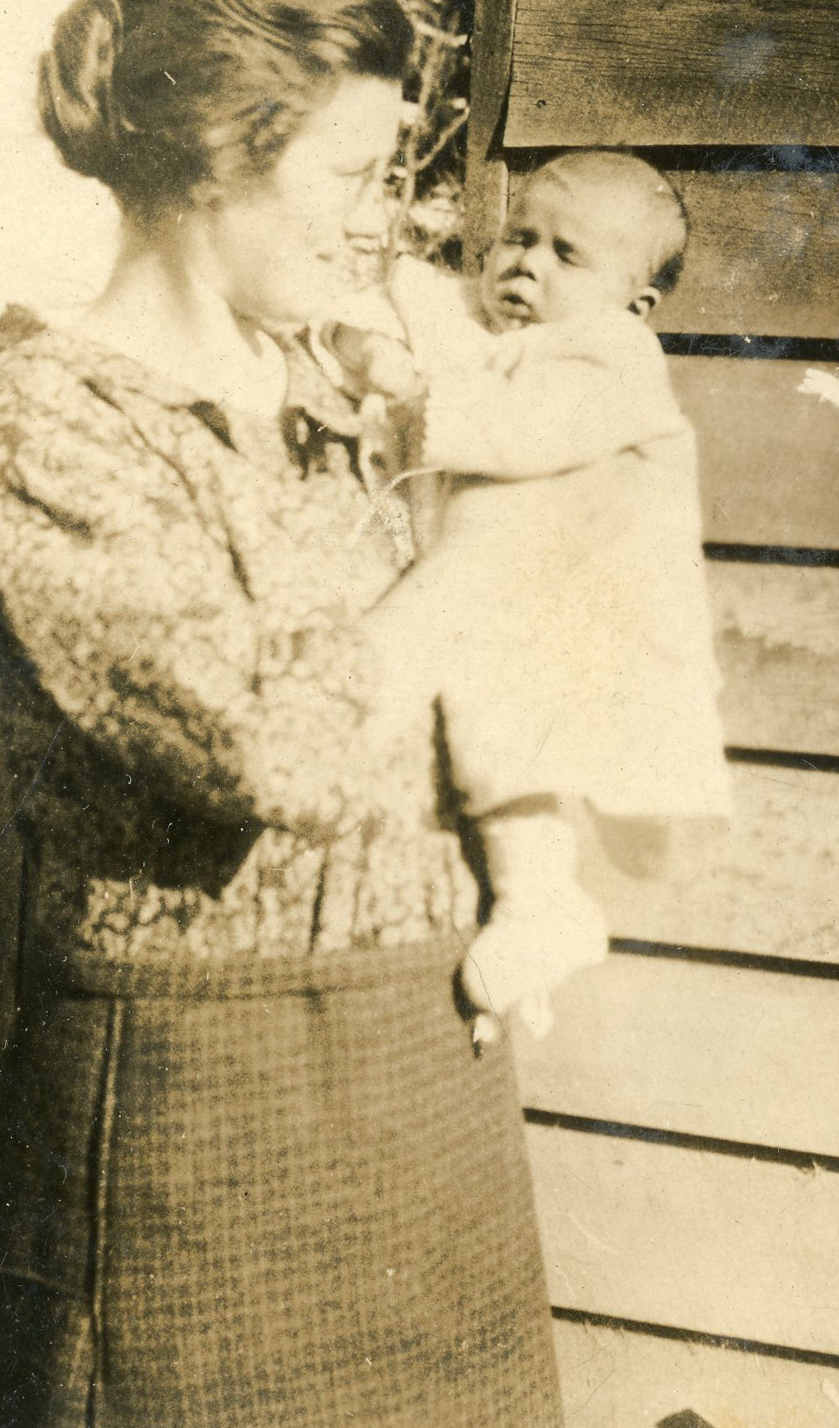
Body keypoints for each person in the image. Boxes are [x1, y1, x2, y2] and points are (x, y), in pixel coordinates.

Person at [0, 0, 563, 1428]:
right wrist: (490, 530)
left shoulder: (342, 399)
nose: (381, 226)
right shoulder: (48, 424)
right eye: (353, 178)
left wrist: (536, 883)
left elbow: (501, 672)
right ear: (219, 158)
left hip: (425, 1064)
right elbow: (273, 750)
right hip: (197, 1106)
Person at [316, 151, 733, 1045]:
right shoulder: (482, 328)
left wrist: (411, 385)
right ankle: (533, 917)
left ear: (635, 300)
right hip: (491, 589)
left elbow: (519, 429)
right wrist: (367, 343)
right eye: (518, 237)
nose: (525, 265)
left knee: (512, 737)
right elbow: (397, 312)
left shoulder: (615, 355)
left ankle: (542, 905)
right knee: (490, 732)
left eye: (565, 254)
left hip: (578, 598)